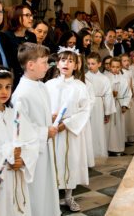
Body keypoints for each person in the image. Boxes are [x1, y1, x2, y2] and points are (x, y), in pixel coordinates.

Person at [0, 66, 39, 216]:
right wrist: (6, 158)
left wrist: (23, 158)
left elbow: (32, 141)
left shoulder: (15, 114)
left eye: (8, 87)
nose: (4, 92)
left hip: (16, 176)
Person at [11, 43, 61, 216]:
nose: (48, 67)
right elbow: (19, 128)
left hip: (43, 148)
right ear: (30, 65)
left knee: (46, 188)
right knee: (38, 191)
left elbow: (37, 115)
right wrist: (44, 132)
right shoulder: (21, 93)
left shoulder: (40, 85)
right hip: (32, 153)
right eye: (44, 62)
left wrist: (49, 118)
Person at [45, 47, 91, 211]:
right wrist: (49, 118)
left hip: (70, 131)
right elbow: (43, 107)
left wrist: (67, 124)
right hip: (52, 131)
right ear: (57, 64)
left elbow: (85, 110)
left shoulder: (80, 86)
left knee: (70, 161)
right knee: (53, 162)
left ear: (76, 66)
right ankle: (52, 197)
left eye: (71, 61)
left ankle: (68, 197)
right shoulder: (48, 85)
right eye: (63, 60)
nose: (66, 63)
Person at [85, 52, 114, 158]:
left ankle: (99, 152)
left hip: (99, 105)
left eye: (93, 63)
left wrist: (107, 112)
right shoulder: (84, 77)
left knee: (99, 129)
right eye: (88, 63)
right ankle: (89, 153)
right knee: (89, 129)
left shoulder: (104, 78)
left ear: (99, 64)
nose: (90, 66)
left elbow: (108, 95)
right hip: (87, 105)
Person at [104, 57, 132, 155]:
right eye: (113, 67)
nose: (115, 69)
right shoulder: (106, 78)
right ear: (109, 67)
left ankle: (118, 148)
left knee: (118, 127)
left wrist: (124, 105)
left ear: (120, 67)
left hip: (119, 105)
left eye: (117, 67)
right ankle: (107, 148)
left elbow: (128, 93)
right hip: (109, 105)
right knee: (108, 127)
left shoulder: (123, 79)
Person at [121, 53, 134, 142]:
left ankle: (131, 137)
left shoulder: (130, 71)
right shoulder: (121, 73)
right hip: (124, 97)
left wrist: (133, 90)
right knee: (126, 119)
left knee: (131, 119)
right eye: (124, 61)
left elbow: (132, 83)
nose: (127, 62)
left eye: (128, 61)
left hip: (131, 97)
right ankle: (125, 137)